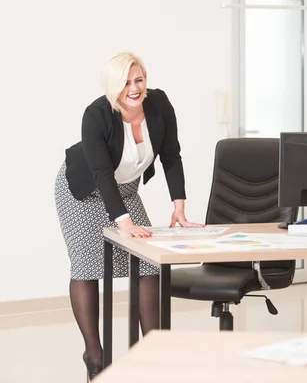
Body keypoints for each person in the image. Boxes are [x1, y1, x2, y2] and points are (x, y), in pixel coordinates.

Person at [54, 52, 202, 380]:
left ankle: (152, 350)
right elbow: (102, 174)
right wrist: (124, 224)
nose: (133, 88)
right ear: (112, 87)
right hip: (83, 190)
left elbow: (172, 155)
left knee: (148, 261)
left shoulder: (159, 104)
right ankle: (95, 354)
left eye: (139, 79)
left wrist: (179, 205)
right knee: (88, 265)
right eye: (125, 82)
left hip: (125, 190)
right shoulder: (96, 114)